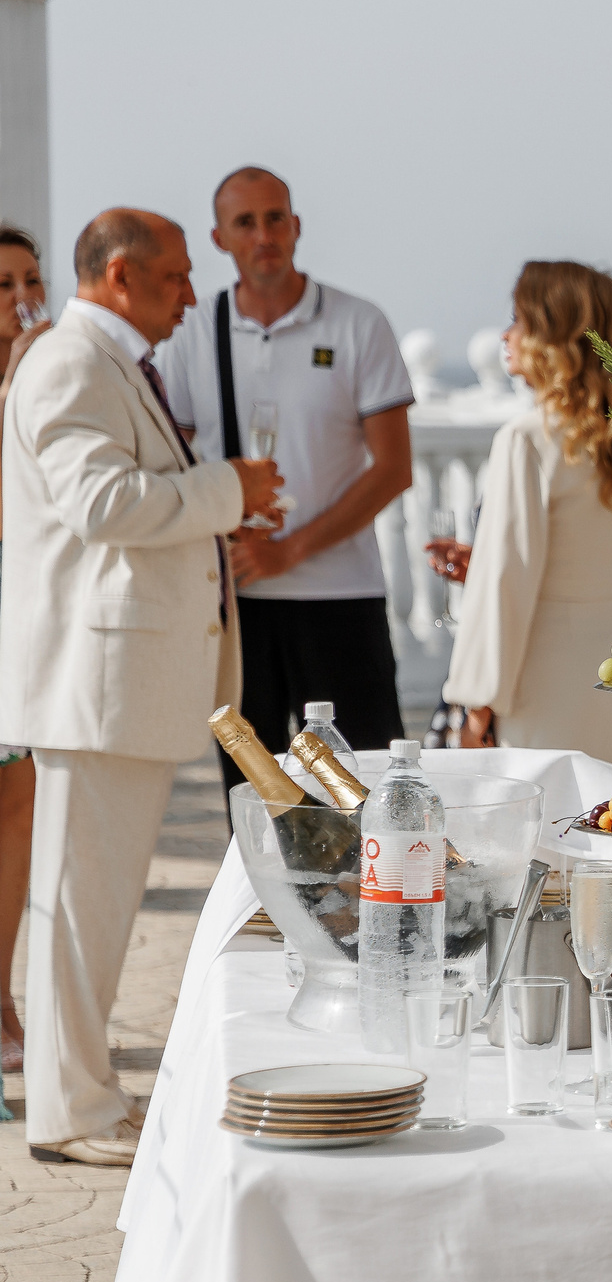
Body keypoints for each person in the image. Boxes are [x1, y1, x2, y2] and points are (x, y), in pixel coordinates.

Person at [0, 209, 285, 1165]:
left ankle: (79, 1099)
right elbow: (103, 505)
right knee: (79, 908)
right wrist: (228, 489)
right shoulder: (72, 362)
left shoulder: (99, 359)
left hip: (119, 683)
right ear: (120, 275)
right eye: (173, 278)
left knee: (93, 905)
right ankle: (71, 1112)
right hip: (95, 684)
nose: (189, 295)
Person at [159, 168, 415, 791]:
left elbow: (393, 469)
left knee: (366, 788)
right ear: (220, 238)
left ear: (296, 226)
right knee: (253, 797)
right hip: (235, 608)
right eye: (245, 222)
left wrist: (291, 551)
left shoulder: (358, 324)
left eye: (275, 218)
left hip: (342, 599)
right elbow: (173, 463)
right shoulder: (195, 329)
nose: (263, 234)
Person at [441, 262, 612, 764]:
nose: (507, 334)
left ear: (553, 336)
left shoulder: (527, 439)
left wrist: (477, 704)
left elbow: (508, 582)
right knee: (607, 830)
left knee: (538, 836)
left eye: (520, 320)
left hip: (538, 676)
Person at [0, 226, 50, 1087]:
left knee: (20, 802)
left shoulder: (42, 385)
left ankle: (2, 994)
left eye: (31, 279)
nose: (20, 297)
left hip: (23, 608)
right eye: (2, 283)